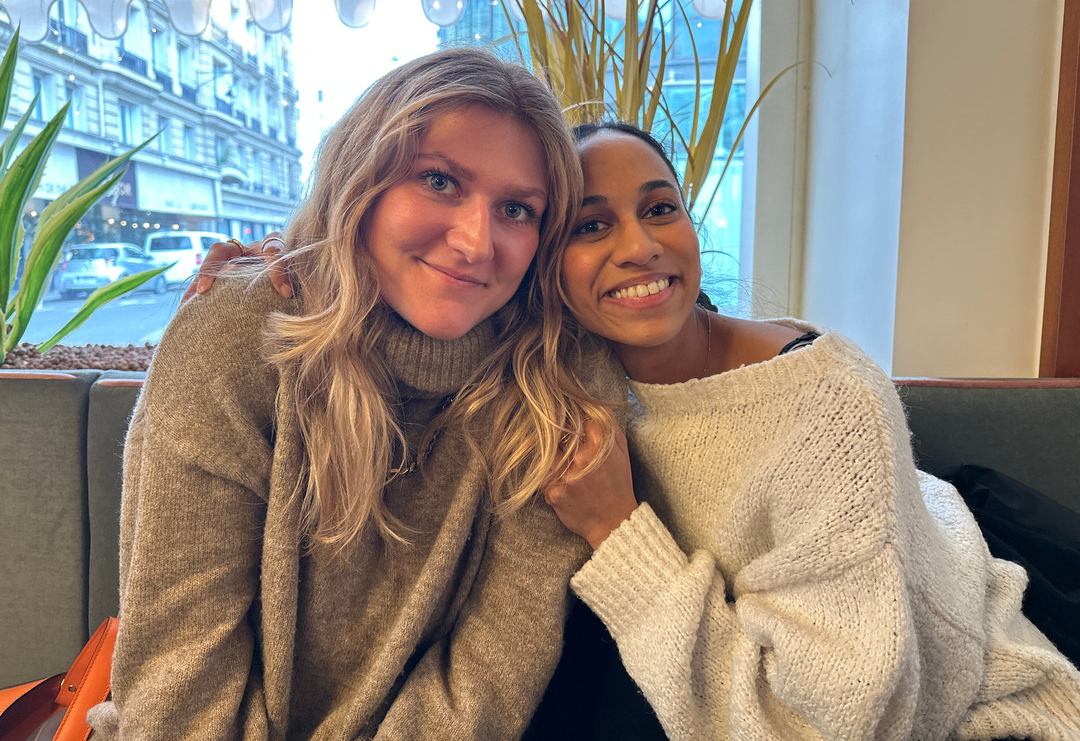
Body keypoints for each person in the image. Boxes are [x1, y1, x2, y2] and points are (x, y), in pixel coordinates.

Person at [207, 121, 1080, 740]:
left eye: (660, 209)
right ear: (539, 270)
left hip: (956, 710)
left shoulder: (823, 402)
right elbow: (414, 315)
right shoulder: (550, 372)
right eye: (591, 226)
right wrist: (293, 266)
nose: (639, 246)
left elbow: (839, 722)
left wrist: (619, 530)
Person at [87, 47, 624, 740]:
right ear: (360, 179)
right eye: (439, 180)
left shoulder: (556, 386)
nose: (475, 242)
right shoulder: (239, 333)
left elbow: (488, 685)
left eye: (517, 209)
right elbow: (178, 688)